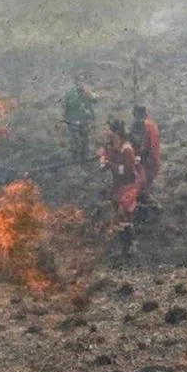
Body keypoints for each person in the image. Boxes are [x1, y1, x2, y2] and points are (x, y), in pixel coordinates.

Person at [98, 119, 144, 257]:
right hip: (117, 186)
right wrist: (103, 159)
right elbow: (104, 155)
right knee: (117, 214)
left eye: (108, 130)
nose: (105, 132)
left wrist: (109, 165)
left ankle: (132, 245)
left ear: (116, 132)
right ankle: (124, 246)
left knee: (124, 214)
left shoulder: (127, 149)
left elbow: (127, 171)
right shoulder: (112, 147)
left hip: (129, 186)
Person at [130, 104, 161, 206]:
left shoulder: (147, 126)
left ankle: (150, 206)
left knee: (142, 186)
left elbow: (148, 146)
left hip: (148, 161)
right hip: (150, 160)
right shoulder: (150, 124)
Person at [63, 73, 97, 162]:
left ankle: (85, 159)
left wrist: (88, 94)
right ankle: (74, 159)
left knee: (85, 141)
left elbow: (95, 99)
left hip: (85, 120)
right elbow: (66, 105)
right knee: (75, 141)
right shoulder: (70, 93)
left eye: (83, 80)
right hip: (73, 121)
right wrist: (67, 119)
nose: (81, 82)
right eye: (79, 80)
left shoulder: (88, 92)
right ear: (75, 81)